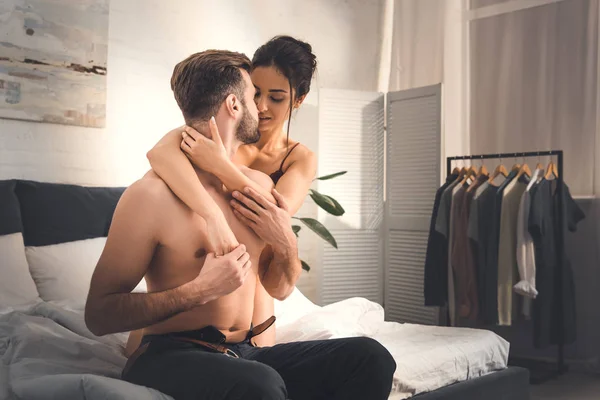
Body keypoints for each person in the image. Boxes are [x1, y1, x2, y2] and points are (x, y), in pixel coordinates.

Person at [85, 49, 396, 400]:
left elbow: (278, 288)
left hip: (245, 352)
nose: (261, 108)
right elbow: (98, 315)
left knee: (371, 359)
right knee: (259, 384)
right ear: (234, 105)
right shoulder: (150, 197)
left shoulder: (256, 188)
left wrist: (286, 244)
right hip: (169, 354)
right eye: (253, 96)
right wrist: (199, 290)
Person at [137, 36, 319, 352]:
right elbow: (159, 154)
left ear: (298, 100)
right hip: (190, 324)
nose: (261, 106)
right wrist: (211, 214)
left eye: (276, 98)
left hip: (256, 324)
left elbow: (275, 216)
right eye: (256, 92)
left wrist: (220, 166)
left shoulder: (298, 159)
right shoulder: (217, 132)